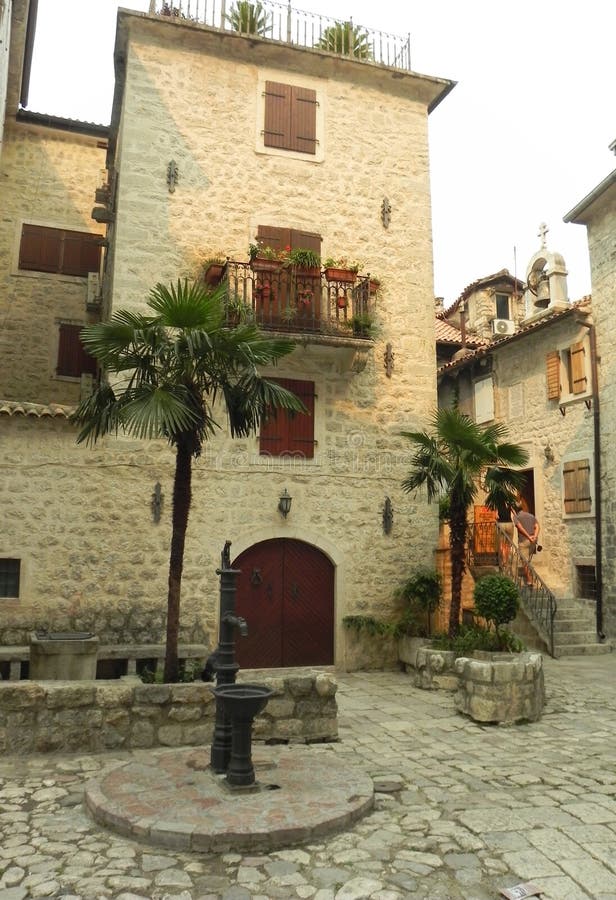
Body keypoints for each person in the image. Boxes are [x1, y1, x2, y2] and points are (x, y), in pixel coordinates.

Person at [511, 503, 540, 586]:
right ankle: (530, 576)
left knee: (524, 561)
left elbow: (520, 528)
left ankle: (530, 580)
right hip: (533, 541)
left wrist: (528, 537)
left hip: (524, 541)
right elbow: (537, 526)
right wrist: (535, 536)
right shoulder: (531, 515)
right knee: (527, 560)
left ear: (514, 510)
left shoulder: (516, 517)